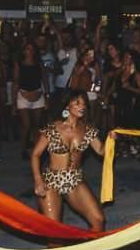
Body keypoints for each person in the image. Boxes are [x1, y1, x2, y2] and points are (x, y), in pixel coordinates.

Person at [30, 90, 105, 232]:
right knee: (54, 231)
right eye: (77, 103)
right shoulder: (52, 128)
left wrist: (112, 140)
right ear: (66, 106)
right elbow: (35, 154)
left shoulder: (87, 129)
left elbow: (101, 151)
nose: (82, 106)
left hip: (74, 180)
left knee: (98, 220)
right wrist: (38, 180)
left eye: (84, 103)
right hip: (51, 181)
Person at [13, 41, 48, 159]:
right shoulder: (19, 64)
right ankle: (23, 149)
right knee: (26, 124)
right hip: (23, 95)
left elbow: (44, 79)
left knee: (37, 125)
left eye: (32, 49)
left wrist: (47, 96)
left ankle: (36, 150)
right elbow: (16, 81)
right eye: (28, 49)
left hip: (38, 95)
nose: (30, 51)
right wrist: (13, 102)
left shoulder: (38, 63)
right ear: (24, 51)